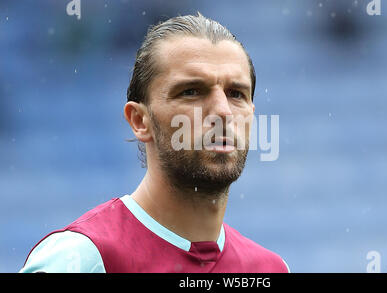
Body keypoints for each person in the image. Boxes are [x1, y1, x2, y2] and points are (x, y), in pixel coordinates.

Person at [20, 13, 289, 273]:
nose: (223, 112)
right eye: (191, 91)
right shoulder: (82, 259)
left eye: (236, 94)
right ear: (139, 120)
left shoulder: (269, 269)